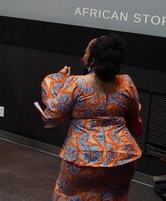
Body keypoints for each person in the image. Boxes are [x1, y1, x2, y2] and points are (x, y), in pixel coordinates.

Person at [39, 33, 142, 200]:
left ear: (92, 61)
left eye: (85, 52)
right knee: (114, 196)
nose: (83, 55)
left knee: (68, 196)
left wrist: (56, 82)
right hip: (122, 156)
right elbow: (134, 112)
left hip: (82, 157)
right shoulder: (126, 82)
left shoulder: (76, 84)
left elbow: (51, 115)